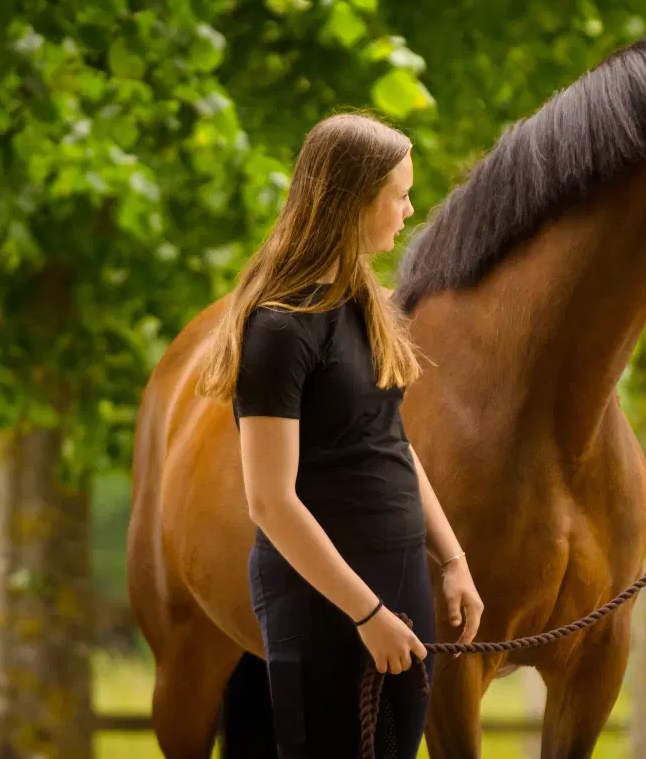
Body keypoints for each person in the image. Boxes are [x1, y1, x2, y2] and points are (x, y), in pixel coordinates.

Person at [196, 112, 483, 757]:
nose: (410, 210)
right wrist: (366, 613)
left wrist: (453, 560)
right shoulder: (279, 329)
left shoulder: (367, 306)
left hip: (401, 573)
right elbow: (269, 501)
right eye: (399, 195)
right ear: (355, 203)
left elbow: (392, 444)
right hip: (321, 596)